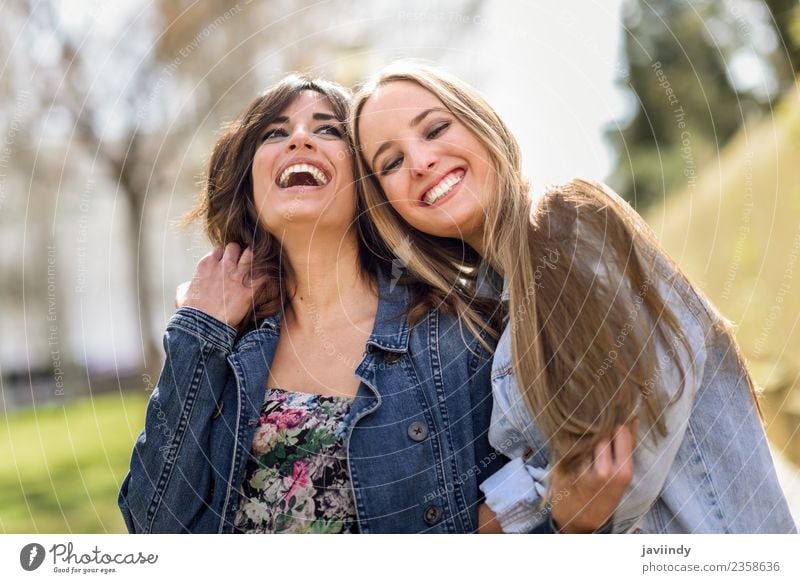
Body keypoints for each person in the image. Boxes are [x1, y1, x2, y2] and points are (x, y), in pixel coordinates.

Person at [351, 63, 797, 534]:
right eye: (391, 163)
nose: (420, 162)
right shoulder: (491, 308)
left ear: (481, 125)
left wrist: (497, 518)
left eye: (436, 128)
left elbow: (619, 460)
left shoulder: (564, 222)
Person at [117, 74, 504, 534]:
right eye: (275, 133)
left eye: (328, 130)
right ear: (249, 187)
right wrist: (199, 330)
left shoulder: (454, 331)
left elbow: (527, 504)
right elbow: (151, 525)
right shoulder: (222, 343)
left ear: (368, 182)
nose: (299, 139)